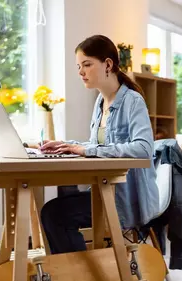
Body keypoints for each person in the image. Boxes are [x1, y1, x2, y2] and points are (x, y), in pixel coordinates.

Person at [39, 34, 159, 254]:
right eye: (78, 66)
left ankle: (81, 277)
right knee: (54, 209)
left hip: (126, 200)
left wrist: (87, 150)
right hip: (104, 192)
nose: (81, 72)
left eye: (87, 64)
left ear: (108, 64)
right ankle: (81, 274)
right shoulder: (100, 101)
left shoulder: (132, 100)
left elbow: (143, 148)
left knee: (54, 214)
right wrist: (66, 145)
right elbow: (98, 145)